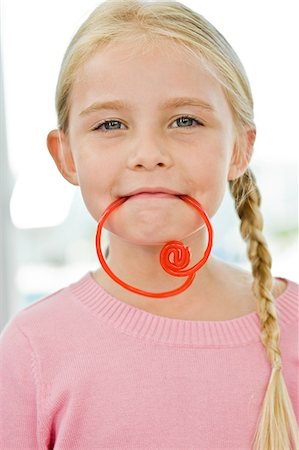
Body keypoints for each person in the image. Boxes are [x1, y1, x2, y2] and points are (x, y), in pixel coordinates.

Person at [0, 0, 298, 448]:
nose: (147, 153)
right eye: (110, 124)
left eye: (185, 120)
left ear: (239, 147)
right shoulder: (32, 347)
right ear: (65, 156)